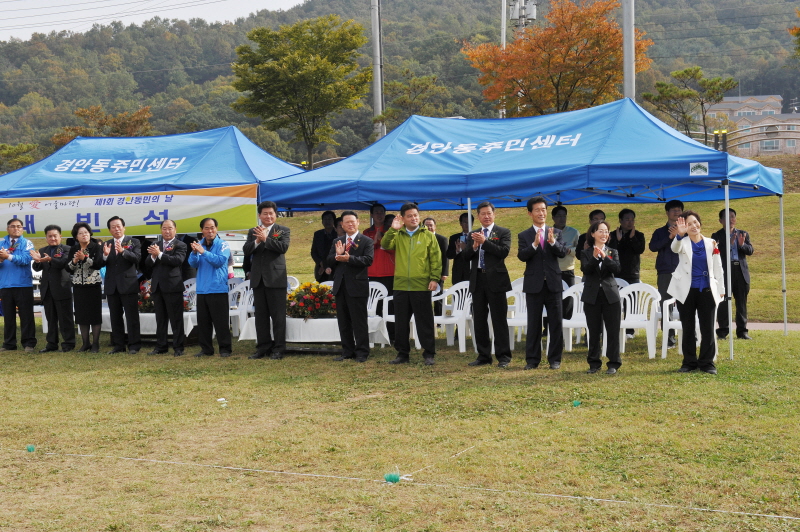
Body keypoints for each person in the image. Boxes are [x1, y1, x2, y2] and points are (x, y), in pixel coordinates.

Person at [381, 203, 442, 365]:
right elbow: (385, 245)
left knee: (425, 322)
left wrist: (434, 278)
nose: (414, 218)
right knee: (401, 322)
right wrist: (393, 229)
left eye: (415, 215)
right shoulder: (398, 234)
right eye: (409, 216)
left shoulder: (428, 235)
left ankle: (429, 353)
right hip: (401, 285)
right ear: (402, 218)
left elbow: (436, 258)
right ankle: (402, 354)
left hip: (421, 285)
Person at [668, 211, 725, 374]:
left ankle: (707, 363)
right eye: (689, 224)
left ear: (700, 223)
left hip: (707, 291)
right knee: (688, 327)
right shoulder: (682, 242)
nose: (694, 226)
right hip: (686, 291)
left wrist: (721, 289)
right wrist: (679, 235)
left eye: (695, 222)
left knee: (708, 328)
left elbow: (718, 268)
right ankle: (689, 362)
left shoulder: (711, 243)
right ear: (684, 227)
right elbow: (674, 248)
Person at [518, 197, 567, 370]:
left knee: (556, 323)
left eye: (544, 209)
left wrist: (552, 241)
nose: (541, 213)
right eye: (537, 210)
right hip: (534, 284)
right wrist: (534, 244)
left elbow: (562, 252)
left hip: (553, 283)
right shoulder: (524, 235)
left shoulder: (556, 232)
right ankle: (532, 360)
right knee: (534, 323)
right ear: (530, 213)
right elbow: (522, 256)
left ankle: (555, 359)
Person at [463, 202, 512, 368]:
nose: (486, 216)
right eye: (483, 214)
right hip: (478, 280)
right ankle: (483, 356)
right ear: (478, 216)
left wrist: (485, 242)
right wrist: (475, 247)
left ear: (494, 214)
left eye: (489, 213)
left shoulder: (503, 232)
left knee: (499, 319)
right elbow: (465, 256)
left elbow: (503, 252)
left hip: (496, 281)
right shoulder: (472, 234)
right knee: (479, 320)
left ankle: (503, 356)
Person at [244, 201, 290, 360]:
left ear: (275, 214)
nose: (268, 216)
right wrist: (257, 240)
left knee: (278, 317)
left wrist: (265, 239)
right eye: (265, 213)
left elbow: (283, 248)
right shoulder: (253, 231)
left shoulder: (282, 230)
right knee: (261, 316)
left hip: (276, 279)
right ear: (259, 215)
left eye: (271, 213)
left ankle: (279, 349)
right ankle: (263, 347)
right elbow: (246, 250)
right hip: (258, 279)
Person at [328, 211, 374, 362]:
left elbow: (368, 260)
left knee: (359, 321)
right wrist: (337, 255)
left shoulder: (366, 241)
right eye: (347, 222)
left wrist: (349, 258)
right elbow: (328, 261)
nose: (350, 224)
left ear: (358, 222)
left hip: (357, 286)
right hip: (341, 286)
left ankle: (362, 352)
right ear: (342, 225)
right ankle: (347, 351)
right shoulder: (338, 240)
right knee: (343, 321)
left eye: (353, 221)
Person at [580, 221, 622, 374]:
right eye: (601, 231)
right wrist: (595, 258)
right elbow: (586, 270)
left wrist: (604, 257)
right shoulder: (585, 252)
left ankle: (613, 363)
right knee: (593, 330)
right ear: (593, 234)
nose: (604, 234)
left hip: (611, 296)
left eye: (606, 231)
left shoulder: (612, 252)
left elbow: (617, 269)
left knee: (612, 330)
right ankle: (594, 363)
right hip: (592, 296)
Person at [188, 218, 233, 357]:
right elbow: (192, 263)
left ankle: (225, 349)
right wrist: (195, 252)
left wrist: (203, 252)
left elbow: (219, 261)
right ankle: (206, 349)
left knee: (221, 322)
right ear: (202, 230)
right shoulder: (199, 244)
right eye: (207, 228)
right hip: (202, 289)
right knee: (203, 323)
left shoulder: (223, 244)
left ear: (217, 229)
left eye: (212, 227)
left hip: (218, 289)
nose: (210, 231)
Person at [145, 220, 188, 357]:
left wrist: (160, 254)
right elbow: (147, 264)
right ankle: (161, 346)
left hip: (173, 286)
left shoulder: (180, 244)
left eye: (170, 228)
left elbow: (177, 261)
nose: (167, 231)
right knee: (160, 319)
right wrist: (153, 256)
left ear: (175, 230)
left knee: (176, 319)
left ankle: (178, 347)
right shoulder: (155, 244)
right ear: (160, 230)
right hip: (157, 286)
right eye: (164, 228)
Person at [31, 224, 75, 353]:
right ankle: (51, 344)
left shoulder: (67, 249)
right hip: (47, 289)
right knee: (50, 319)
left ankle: (68, 343)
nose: (52, 238)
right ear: (46, 238)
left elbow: (63, 263)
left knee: (65, 318)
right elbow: (37, 268)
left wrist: (50, 260)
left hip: (62, 288)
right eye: (49, 236)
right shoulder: (43, 249)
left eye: (55, 236)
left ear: (60, 236)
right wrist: (37, 261)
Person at [101, 216, 142, 354]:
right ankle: (118, 345)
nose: (116, 229)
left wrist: (123, 251)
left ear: (124, 227)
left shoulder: (134, 241)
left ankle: (134, 345)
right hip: (112, 286)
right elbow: (99, 264)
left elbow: (137, 259)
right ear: (109, 230)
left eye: (119, 226)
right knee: (115, 316)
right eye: (113, 227)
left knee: (132, 317)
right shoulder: (106, 244)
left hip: (128, 284)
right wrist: (105, 256)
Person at [712, 208, 754, 340]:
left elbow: (750, 250)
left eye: (732, 217)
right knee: (723, 302)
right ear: (720, 221)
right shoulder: (716, 236)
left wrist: (741, 245)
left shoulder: (743, 234)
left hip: (740, 271)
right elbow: (715, 253)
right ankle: (723, 331)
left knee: (741, 302)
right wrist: (728, 245)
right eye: (726, 217)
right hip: (725, 271)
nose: (730, 220)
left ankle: (742, 332)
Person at [649, 199, 684, 348]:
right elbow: (653, 247)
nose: (676, 213)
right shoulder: (659, 231)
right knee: (666, 305)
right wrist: (669, 238)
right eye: (673, 210)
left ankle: (690, 335)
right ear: (667, 213)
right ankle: (669, 339)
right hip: (665, 271)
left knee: (685, 304)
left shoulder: (687, 230)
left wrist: (680, 235)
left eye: (679, 210)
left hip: (683, 272)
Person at [0, 218, 36, 352]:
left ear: (23, 229)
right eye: (13, 226)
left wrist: (8, 256)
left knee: (26, 315)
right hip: (5, 285)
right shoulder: (1, 243)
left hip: (22, 284)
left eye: (19, 226)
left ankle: (29, 343)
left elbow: (26, 259)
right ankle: (9, 344)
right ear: (7, 228)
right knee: (8, 316)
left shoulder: (27, 243)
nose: (16, 229)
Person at [66, 223, 103, 353]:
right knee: (81, 315)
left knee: (94, 315)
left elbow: (99, 264)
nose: (84, 235)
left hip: (93, 285)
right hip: (78, 286)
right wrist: (75, 261)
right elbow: (68, 268)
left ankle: (96, 344)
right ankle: (85, 343)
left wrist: (85, 258)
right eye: (81, 233)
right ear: (76, 236)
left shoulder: (96, 247)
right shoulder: (73, 249)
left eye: (86, 232)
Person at [363, 203, 395, 342]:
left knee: (391, 307)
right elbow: (365, 251)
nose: (379, 214)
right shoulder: (366, 232)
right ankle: (375, 336)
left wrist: (381, 240)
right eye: (376, 212)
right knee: (374, 307)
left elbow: (394, 250)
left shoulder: (392, 231)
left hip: (389, 273)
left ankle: (392, 336)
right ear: (371, 214)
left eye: (381, 212)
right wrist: (374, 242)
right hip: (372, 273)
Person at [608, 208, 646, 285]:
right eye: (627, 219)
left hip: (632, 274)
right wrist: (618, 241)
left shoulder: (638, 235)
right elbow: (609, 254)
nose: (630, 222)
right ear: (620, 220)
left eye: (632, 220)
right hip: (616, 273)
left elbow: (640, 250)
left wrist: (632, 238)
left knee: (632, 297)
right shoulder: (612, 235)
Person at [423, 217, 449, 317]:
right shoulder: (421, 238)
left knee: (438, 296)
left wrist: (444, 273)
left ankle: (439, 318)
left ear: (435, 226)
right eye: (426, 225)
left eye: (431, 225)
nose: (429, 227)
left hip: (438, 273)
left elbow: (445, 257)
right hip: (424, 273)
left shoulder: (442, 239)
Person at [552, 205, 580, 289]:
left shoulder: (574, 232)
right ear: (553, 218)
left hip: (568, 270)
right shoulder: (548, 232)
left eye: (564, 216)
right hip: (552, 270)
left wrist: (569, 250)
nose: (562, 219)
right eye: (559, 216)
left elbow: (580, 249)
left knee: (569, 298)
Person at [310, 210, 337, 283]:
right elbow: (314, 252)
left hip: (335, 268)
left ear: (334, 221)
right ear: (322, 221)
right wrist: (321, 263)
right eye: (325, 219)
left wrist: (327, 265)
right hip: (321, 269)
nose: (327, 221)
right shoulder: (318, 234)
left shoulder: (338, 234)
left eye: (329, 219)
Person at [446, 212, 472, 286]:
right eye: (465, 222)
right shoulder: (454, 238)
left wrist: (466, 249)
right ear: (461, 223)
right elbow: (449, 255)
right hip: (458, 274)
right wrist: (457, 251)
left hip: (472, 273)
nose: (467, 224)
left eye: (469, 222)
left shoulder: (477, 237)